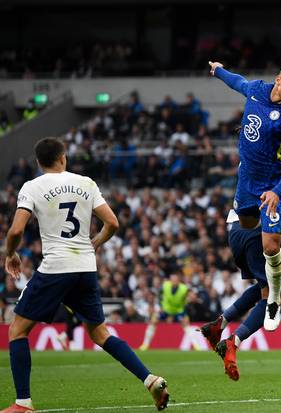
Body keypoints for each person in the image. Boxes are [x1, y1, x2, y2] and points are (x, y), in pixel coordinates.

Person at [2, 138, 168, 413]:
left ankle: (23, 403)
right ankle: (150, 379)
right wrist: (96, 242)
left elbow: (16, 231)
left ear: (39, 162)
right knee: (100, 333)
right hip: (85, 267)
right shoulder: (85, 183)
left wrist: (10, 253)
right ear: (63, 158)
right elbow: (112, 222)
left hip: (56, 266)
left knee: (17, 331)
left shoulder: (32, 187)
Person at [208, 60, 281, 331]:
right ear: (279, 80)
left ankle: (273, 300)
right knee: (250, 224)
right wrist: (218, 71)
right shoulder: (256, 91)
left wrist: (277, 191)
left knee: (270, 247)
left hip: (273, 185)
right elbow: (237, 81)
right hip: (246, 183)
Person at [199, 206, 281, 381]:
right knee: (274, 289)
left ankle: (220, 323)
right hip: (258, 233)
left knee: (264, 286)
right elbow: (273, 199)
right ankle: (233, 342)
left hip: (235, 232)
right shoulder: (278, 180)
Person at [139, 273, 202, 351]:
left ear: (178, 281)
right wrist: (160, 306)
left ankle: (196, 345)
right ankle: (145, 344)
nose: (174, 281)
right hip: (166, 310)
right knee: (153, 320)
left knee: (186, 325)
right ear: (170, 280)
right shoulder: (165, 286)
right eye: (172, 280)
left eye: (176, 280)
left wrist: (190, 299)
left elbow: (191, 295)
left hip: (178, 311)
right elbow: (158, 295)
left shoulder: (184, 288)